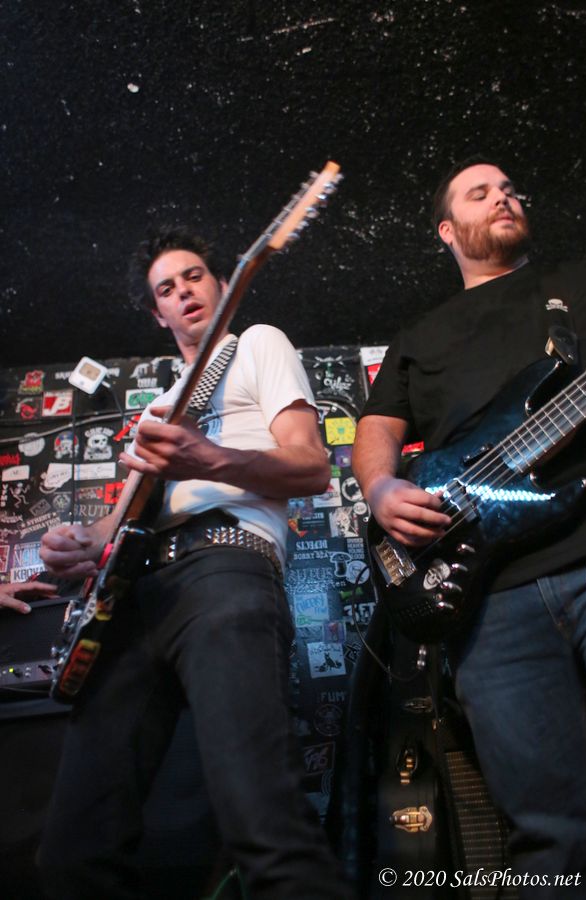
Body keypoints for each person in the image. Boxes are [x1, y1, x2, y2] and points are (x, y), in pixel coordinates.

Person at [37, 227, 354, 900]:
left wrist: (208, 458)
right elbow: (114, 527)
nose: (183, 292)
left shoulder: (257, 344)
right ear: (157, 313)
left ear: (221, 284)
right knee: (73, 848)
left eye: (194, 276)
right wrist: (79, 542)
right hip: (134, 598)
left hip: (225, 570)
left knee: (262, 821)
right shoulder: (161, 408)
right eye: (166, 288)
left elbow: (310, 466)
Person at [352, 157, 586, 895]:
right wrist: (381, 488)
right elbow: (377, 426)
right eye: (480, 192)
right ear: (446, 229)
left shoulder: (580, 284)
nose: (504, 197)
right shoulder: (420, 334)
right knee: (549, 834)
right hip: (486, 602)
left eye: (511, 189)